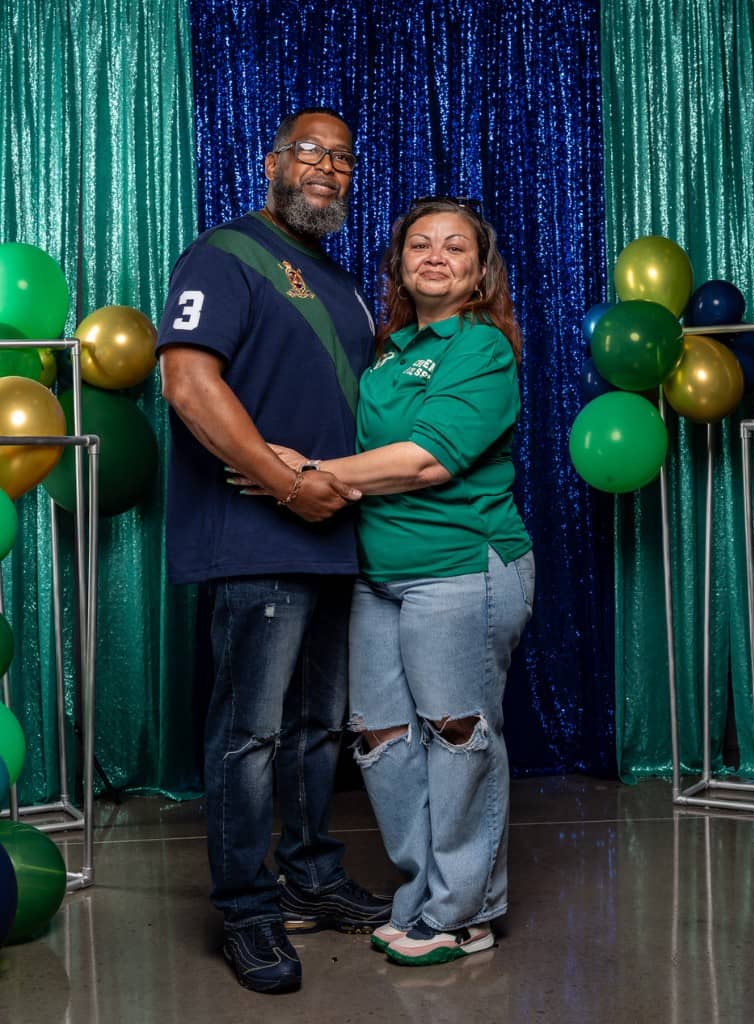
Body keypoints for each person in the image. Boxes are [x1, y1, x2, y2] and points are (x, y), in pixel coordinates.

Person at [245, 196, 535, 967]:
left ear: (479, 270)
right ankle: (422, 893)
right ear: (400, 262)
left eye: (455, 247)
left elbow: (425, 460)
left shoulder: (481, 347)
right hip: (377, 575)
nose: (435, 256)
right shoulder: (389, 349)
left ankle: (465, 911)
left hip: (460, 570)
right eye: (420, 245)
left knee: (458, 738)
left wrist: (300, 472)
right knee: (379, 742)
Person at [155, 107, 390, 996]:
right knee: (249, 733)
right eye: (309, 152)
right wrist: (286, 482)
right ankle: (248, 911)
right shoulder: (224, 254)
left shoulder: (336, 277)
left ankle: (313, 875)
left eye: (341, 157)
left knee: (315, 728)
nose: (327, 168)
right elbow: (186, 381)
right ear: (271, 162)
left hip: (335, 539)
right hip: (257, 536)